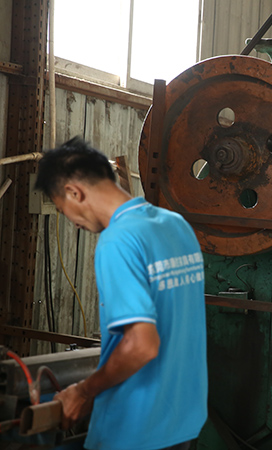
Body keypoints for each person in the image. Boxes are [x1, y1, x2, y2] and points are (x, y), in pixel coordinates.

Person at [35, 137, 208, 450]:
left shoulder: (117, 241)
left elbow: (142, 345)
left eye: (63, 210)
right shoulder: (176, 225)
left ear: (74, 192)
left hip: (135, 427)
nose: (73, 223)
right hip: (182, 421)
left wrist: (84, 391)